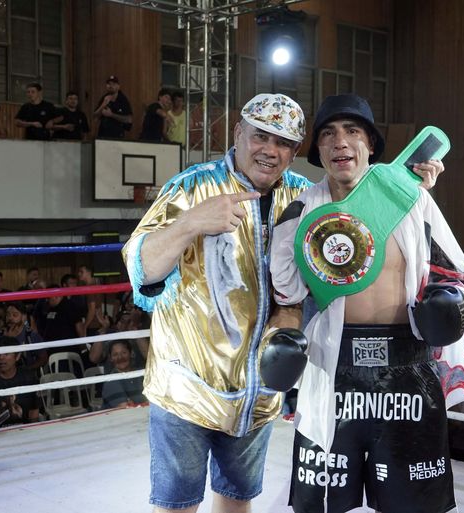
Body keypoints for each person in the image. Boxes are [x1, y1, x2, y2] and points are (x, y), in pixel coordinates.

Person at [270, 94, 464, 513]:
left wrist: (450, 308)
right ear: (318, 151)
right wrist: (281, 339)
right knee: (321, 506)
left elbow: (457, 276)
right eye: (328, 134)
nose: (339, 142)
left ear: (370, 144)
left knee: (414, 506)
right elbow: (287, 299)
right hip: (333, 372)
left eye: (352, 131)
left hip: (408, 372)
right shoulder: (298, 214)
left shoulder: (410, 201)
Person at [121, 93, 311, 513]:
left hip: (258, 393)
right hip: (187, 388)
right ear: (239, 133)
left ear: (295, 152)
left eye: (283, 143)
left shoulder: (305, 198)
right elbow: (141, 268)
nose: (270, 151)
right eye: (261, 136)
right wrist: (191, 223)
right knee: (175, 507)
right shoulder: (191, 186)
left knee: (237, 503)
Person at [0, 336, 39, 425]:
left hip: (23, 430)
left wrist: (34, 431)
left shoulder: (29, 377)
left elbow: (34, 410)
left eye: (6, 354)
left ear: (17, 356)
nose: (1, 358)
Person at [101, 340, 147, 408]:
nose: (120, 358)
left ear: (131, 353)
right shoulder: (111, 381)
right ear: (110, 358)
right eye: (115, 354)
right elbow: (126, 408)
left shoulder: (141, 373)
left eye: (124, 352)